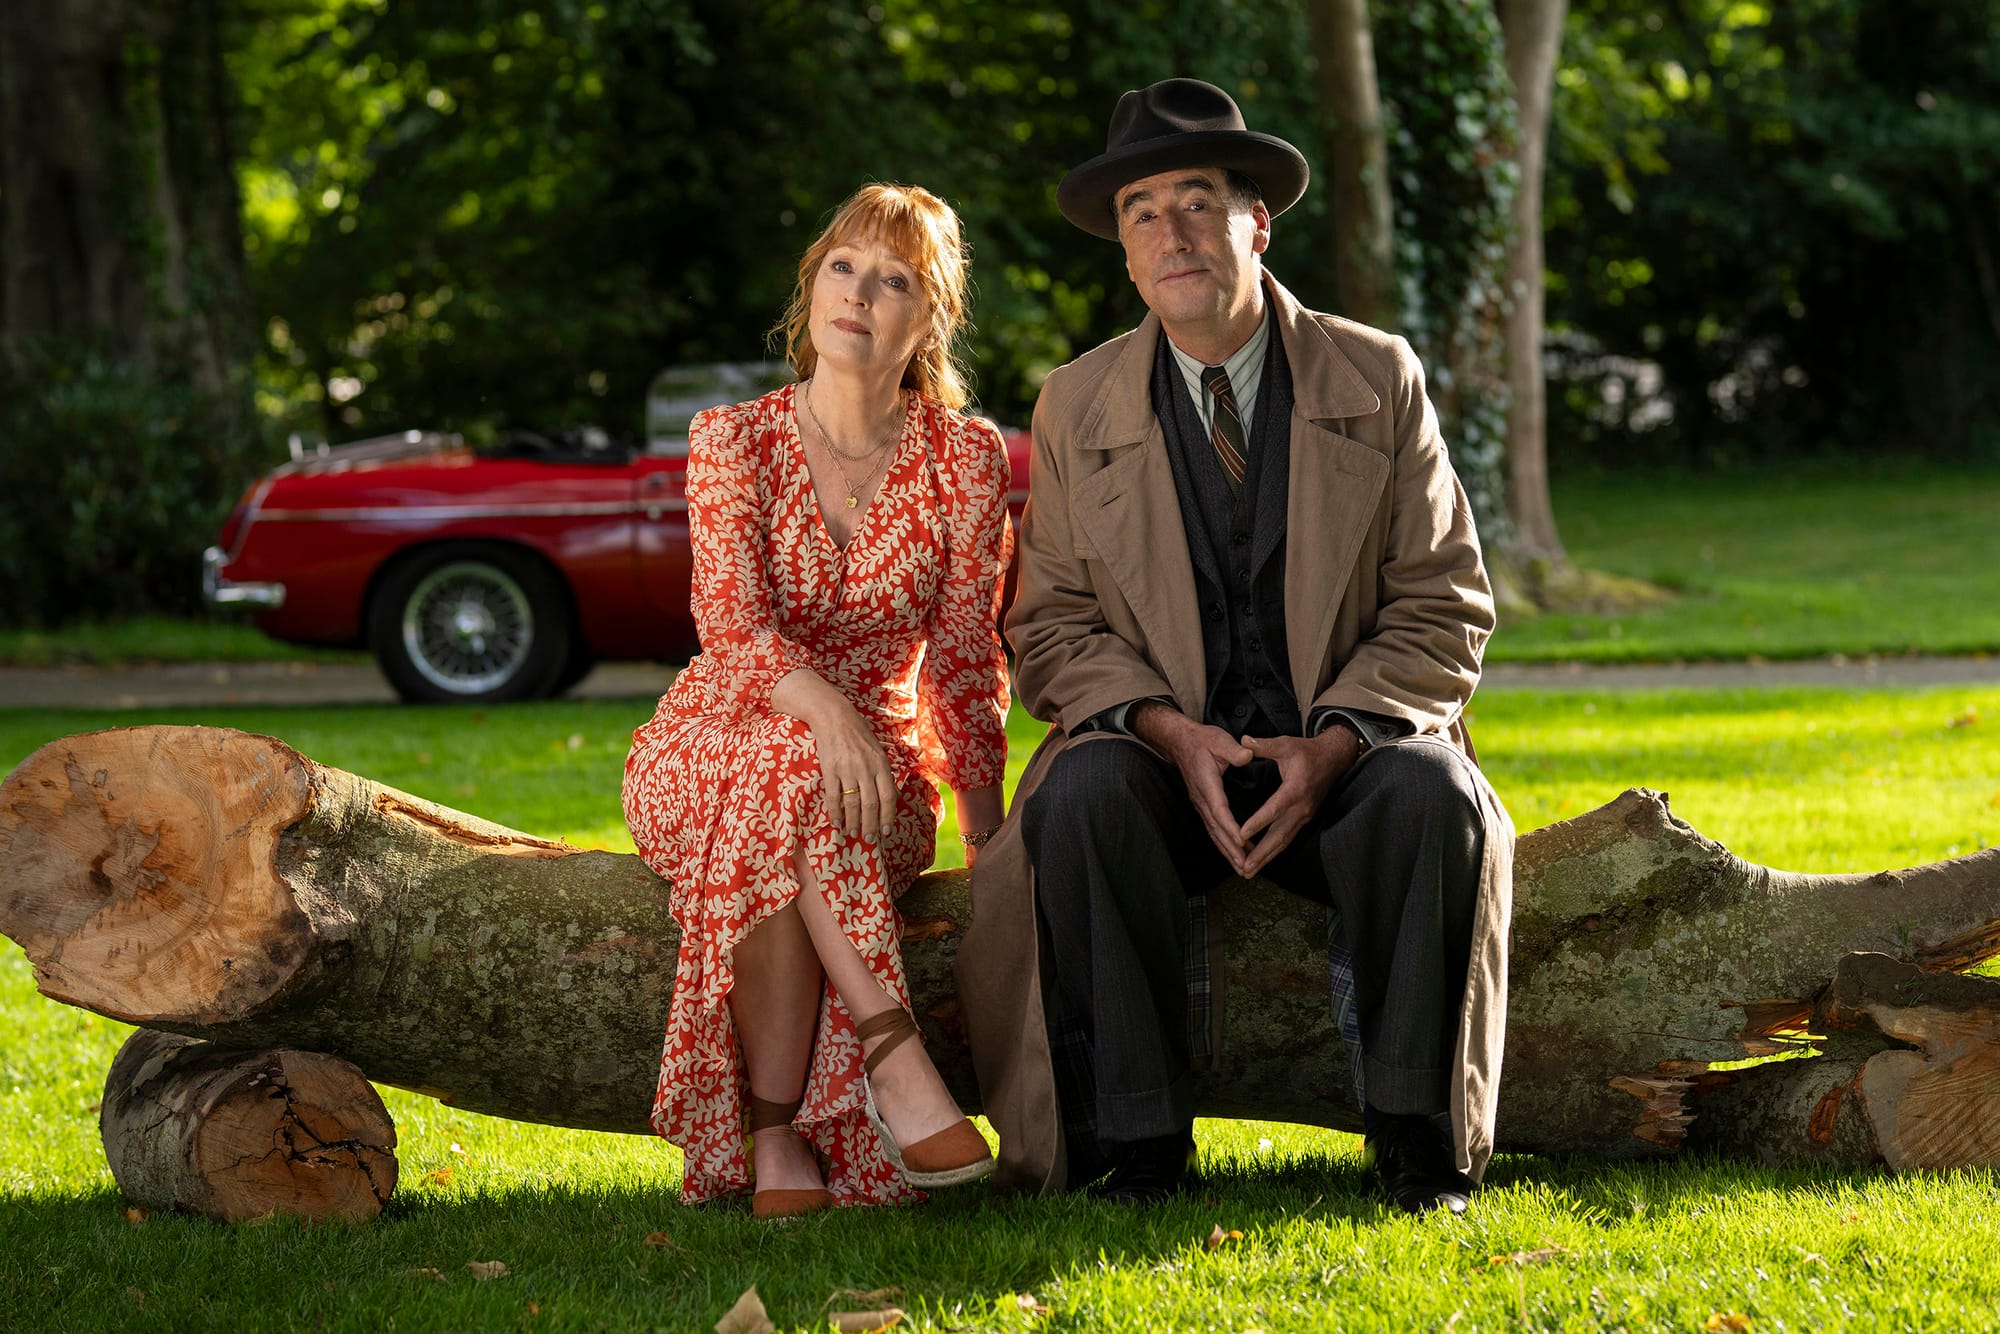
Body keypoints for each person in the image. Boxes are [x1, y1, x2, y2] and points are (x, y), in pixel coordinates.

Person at [958, 79, 1515, 1215]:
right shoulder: (1072, 403)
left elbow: (1443, 599)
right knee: (1079, 796)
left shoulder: (1380, 375)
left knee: (1434, 796)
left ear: (1258, 222)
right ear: (1122, 254)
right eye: (1144, 211)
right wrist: (1167, 729)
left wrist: (1337, 742)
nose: (1173, 231)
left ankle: (1415, 1141)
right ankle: (1138, 1144)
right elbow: (1050, 624)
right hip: (1169, 766)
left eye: (1200, 201)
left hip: (1346, 759)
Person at [624, 183, 1012, 1218]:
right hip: (709, 738)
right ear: (812, 288)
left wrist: (984, 828)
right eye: (842, 266)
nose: (860, 293)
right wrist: (827, 711)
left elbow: (966, 657)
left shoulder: (964, 458)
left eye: (894, 280)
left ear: (926, 320)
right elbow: (732, 622)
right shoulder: (730, 439)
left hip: (874, 783)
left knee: (799, 789)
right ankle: (892, 1052)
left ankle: (772, 1134)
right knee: (789, 762)